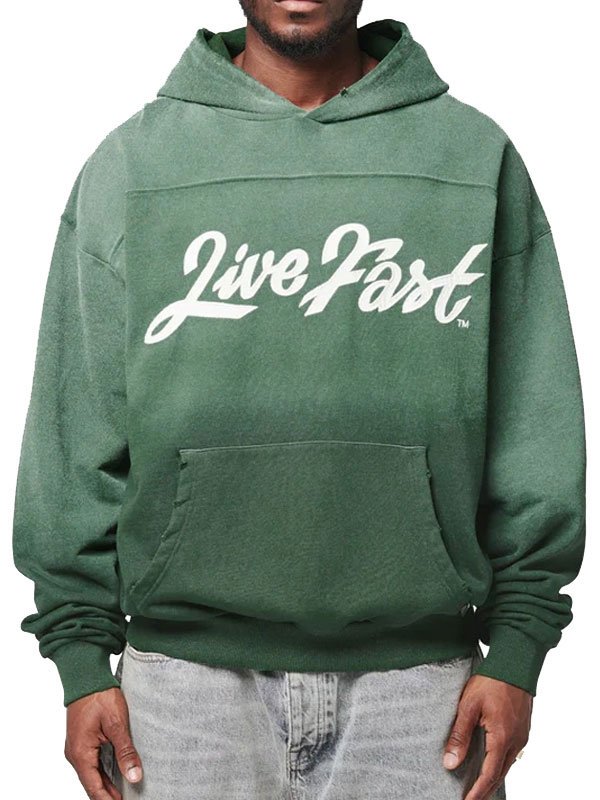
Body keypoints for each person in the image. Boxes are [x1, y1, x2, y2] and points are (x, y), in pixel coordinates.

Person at [12, 2, 586, 799]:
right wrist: (80, 660)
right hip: (183, 693)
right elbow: (73, 438)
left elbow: (534, 426)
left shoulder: (470, 155)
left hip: (421, 693)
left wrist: (520, 649)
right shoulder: (135, 164)